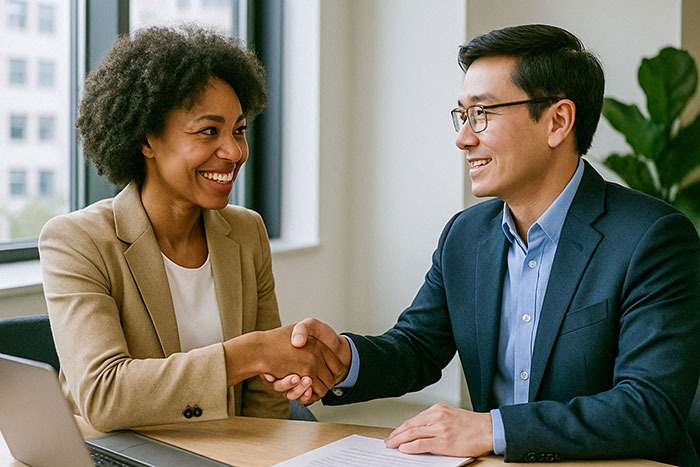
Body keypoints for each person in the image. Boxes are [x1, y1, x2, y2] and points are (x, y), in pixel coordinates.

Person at [266, 24, 700, 465]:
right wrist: (344, 358)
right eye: (463, 115)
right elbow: (416, 347)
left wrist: (491, 428)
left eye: (483, 114)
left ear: (558, 121)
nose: (463, 138)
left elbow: (649, 407)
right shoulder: (466, 235)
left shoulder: (653, 238)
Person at [38, 25, 344, 432]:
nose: (234, 152)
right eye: (208, 131)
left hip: (224, 452)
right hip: (123, 454)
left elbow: (263, 400)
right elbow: (104, 394)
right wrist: (251, 352)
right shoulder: (77, 241)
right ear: (147, 140)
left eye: (238, 130)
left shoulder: (246, 232)